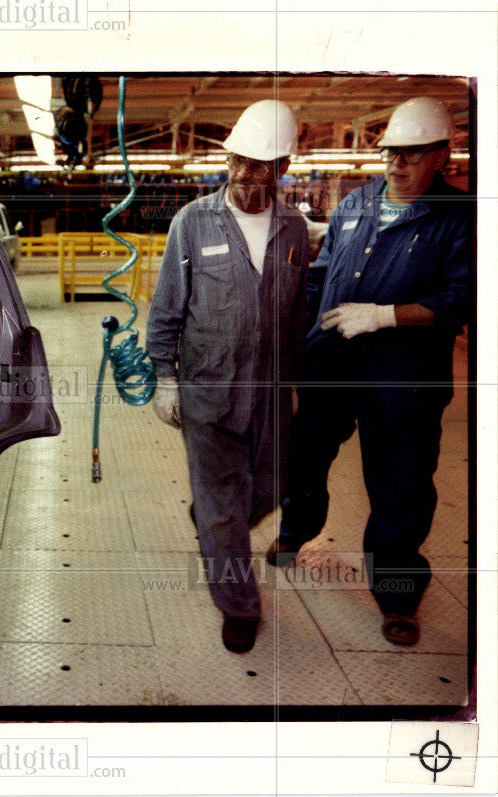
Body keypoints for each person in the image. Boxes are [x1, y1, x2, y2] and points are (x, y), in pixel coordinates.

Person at [268, 97, 470, 647]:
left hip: (404, 374)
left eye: (410, 155)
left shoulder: (462, 216)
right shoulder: (357, 200)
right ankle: (295, 530)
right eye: (390, 154)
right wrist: (295, 336)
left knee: (401, 479)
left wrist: (385, 316)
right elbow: (323, 272)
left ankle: (398, 595)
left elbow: (463, 299)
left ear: (440, 156)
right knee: (304, 452)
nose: (396, 165)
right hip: (330, 360)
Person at [147, 100, 310, 653]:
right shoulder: (192, 223)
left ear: (282, 167)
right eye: (237, 160)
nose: (243, 174)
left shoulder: (293, 229)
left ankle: (215, 519)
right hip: (208, 389)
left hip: (268, 392)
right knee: (223, 507)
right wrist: (162, 377)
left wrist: (302, 384)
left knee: (268, 490)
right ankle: (238, 605)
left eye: (258, 164)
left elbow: (295, 313)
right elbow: (167, 305)